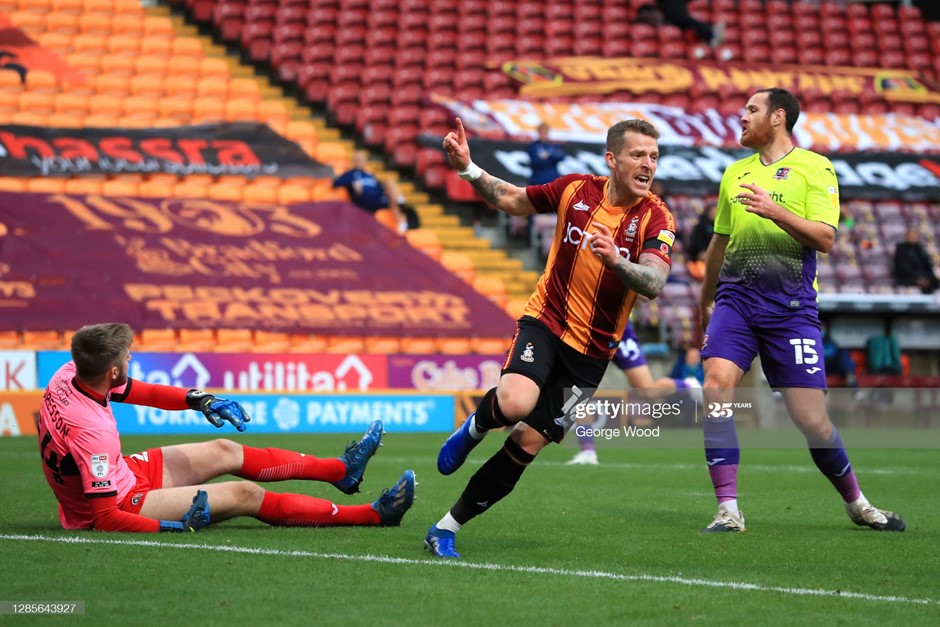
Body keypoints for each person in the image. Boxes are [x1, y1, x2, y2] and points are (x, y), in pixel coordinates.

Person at [425, 117, 676, 558]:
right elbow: (513, 199)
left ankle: (445, 527)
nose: (648, 164)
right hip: (548, 321)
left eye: (654, 157)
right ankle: (477, 424)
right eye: (638, 155)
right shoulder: (575, 190)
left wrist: (617, 262)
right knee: (516, 404)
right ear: (612, 159)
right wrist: (468, 168)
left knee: (528, 442)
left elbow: (654, 282)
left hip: (593, 354)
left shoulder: (657, 216)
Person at [698, 87, 904, 533]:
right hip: (736, 301)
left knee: (812, 421)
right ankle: (728, 509)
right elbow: (719, 242)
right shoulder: (734, 173)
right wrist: (705, 299)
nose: (741, 116)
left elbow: (825, 238)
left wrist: (774, 210)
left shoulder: (816, 167)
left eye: (751, 109)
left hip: (790, 310)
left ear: (777, 117)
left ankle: (857, 503)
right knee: (715, 388)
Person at [38, 322, 415, 533]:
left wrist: (200, 399)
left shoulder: (72, 372)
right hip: (118, 503)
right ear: (113, 370)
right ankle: (373, 514)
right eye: (126, 356)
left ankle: (341, 471)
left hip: (122, 473)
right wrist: (169, 527)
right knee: (244, 494)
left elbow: (143, 391)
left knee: (225, 449)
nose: (131, 356)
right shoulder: (93, 432)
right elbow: (104, 517)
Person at [568, 321, 702, 465]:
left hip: (618, 329)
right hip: (589, 329)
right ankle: (587, 450)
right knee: (579, 389)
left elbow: (647, 298)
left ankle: (688, 385)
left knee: (647, 390)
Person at [655, 0, 724, 47]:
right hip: (671, 20)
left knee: (691, 23)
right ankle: (711, 33)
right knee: (691, 22)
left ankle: (710, 36)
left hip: (680, 19)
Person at [893, 226, 939, 294]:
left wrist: (928, 278)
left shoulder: (920, 249)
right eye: (911, 236)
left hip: (924, 278)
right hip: (909, 279)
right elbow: (903, 268)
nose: (913, 238)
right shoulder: (901, 249)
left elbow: (928, 265)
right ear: (906, 237)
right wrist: (919, 279)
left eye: (915, 236)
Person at [686, 200, 717, 282]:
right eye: (713, 211)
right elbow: (698, 251)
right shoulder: (701, 227)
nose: (715, 213)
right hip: (700, 261)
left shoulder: (722, 228)